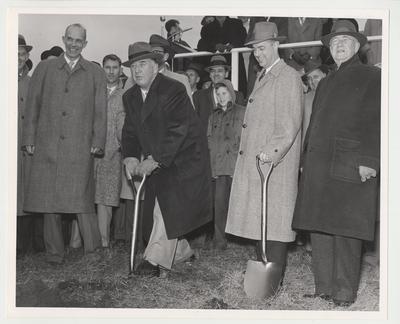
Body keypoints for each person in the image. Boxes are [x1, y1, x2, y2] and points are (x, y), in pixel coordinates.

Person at [292, 20, 381, 306]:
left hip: (350, 162)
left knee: (346, 229)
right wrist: (306, 160)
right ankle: (324, 288)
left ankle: (343, 293)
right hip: (319, 166)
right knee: (319, 227)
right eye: (334, 42)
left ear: (357, 45)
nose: (339, 45)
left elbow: (375, 120)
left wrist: (369, 160)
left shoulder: (371, 76)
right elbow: (315, 124)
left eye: (345, 40)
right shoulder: (326, 81)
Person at [121, 42, 212, 276]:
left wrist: (155, 158)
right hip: (160, 157)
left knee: (167, 206)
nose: (137, 70)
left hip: (185, 157)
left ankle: (154, 262)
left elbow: (178, 129)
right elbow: (130, 130)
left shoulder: (173, 89)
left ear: (156, 67)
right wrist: (130, 156)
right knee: (160, 211)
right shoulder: (130, 96)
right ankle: (182, 252)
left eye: (143, 64)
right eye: (133, 66)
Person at [22, 23, 107, 265]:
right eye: (69, 39)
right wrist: (29, 138)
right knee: (49, 201)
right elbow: (33, 105)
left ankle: (93, 251)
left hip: (80, 147)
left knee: (82, 200)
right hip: (48, 144)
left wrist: (97, 141)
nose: (73, 44)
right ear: (63, 39)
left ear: (85, 44)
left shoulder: (94, 72)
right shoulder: (45, 67)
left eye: (78, 40)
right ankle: (54, 253)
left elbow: (101, 112)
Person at [225, 22, 303, 281]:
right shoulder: (263, 75)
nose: (257, 54)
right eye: (254, 50)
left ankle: (273, 279)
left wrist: (271, 153)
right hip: (260, 163)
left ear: (276, 45)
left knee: (275, 222)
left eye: (261, 48)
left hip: (273, 164)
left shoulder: (288, 77)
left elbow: (289, 125)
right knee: (263, 220)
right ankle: (265, 273)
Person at [207, 80, 246, 250]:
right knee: (219, 205)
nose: (221, 97)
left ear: (231, 93)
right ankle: (219, 241)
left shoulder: (242, 112)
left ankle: (241, 240)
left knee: (238, 204)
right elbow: (209, 141)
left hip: (236, 166)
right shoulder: (213, 116)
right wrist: (212, 167)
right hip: (219, 167)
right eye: (218, 94)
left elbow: (246, 139)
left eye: (224, 93)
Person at [94, 54, 125, 250]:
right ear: (102, 69)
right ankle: (77, 242)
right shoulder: (94, 92)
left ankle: (103, 242)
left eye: (115, 67)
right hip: (90, 152)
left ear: (120, 70)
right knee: (85, 197)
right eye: (107, 67)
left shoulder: (125, 95)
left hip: (113, 153)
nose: (111, 71)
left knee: (106, 198)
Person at [16, 34, 45, 255]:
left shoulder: (32, 82)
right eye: (14, 53)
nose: (19, 57)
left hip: (26, 149)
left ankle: (25, 247)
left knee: (26, 195)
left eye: (22, 53)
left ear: (27, 56)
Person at [197, 16, 248, 97]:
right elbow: (202, 44)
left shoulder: (236, 23)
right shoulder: (207, 27)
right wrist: (214, 46)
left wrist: (234, 45)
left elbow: (244, 38)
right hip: (215, 63)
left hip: (234, 61)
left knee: (237, 89)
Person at [193, 55, 245, 132]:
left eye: (220, 71)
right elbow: (194, 124)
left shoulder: (238, 96)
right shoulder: (198, 96)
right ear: (210, 75)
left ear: (226, 74)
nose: (216, 74)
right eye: (213, 71)